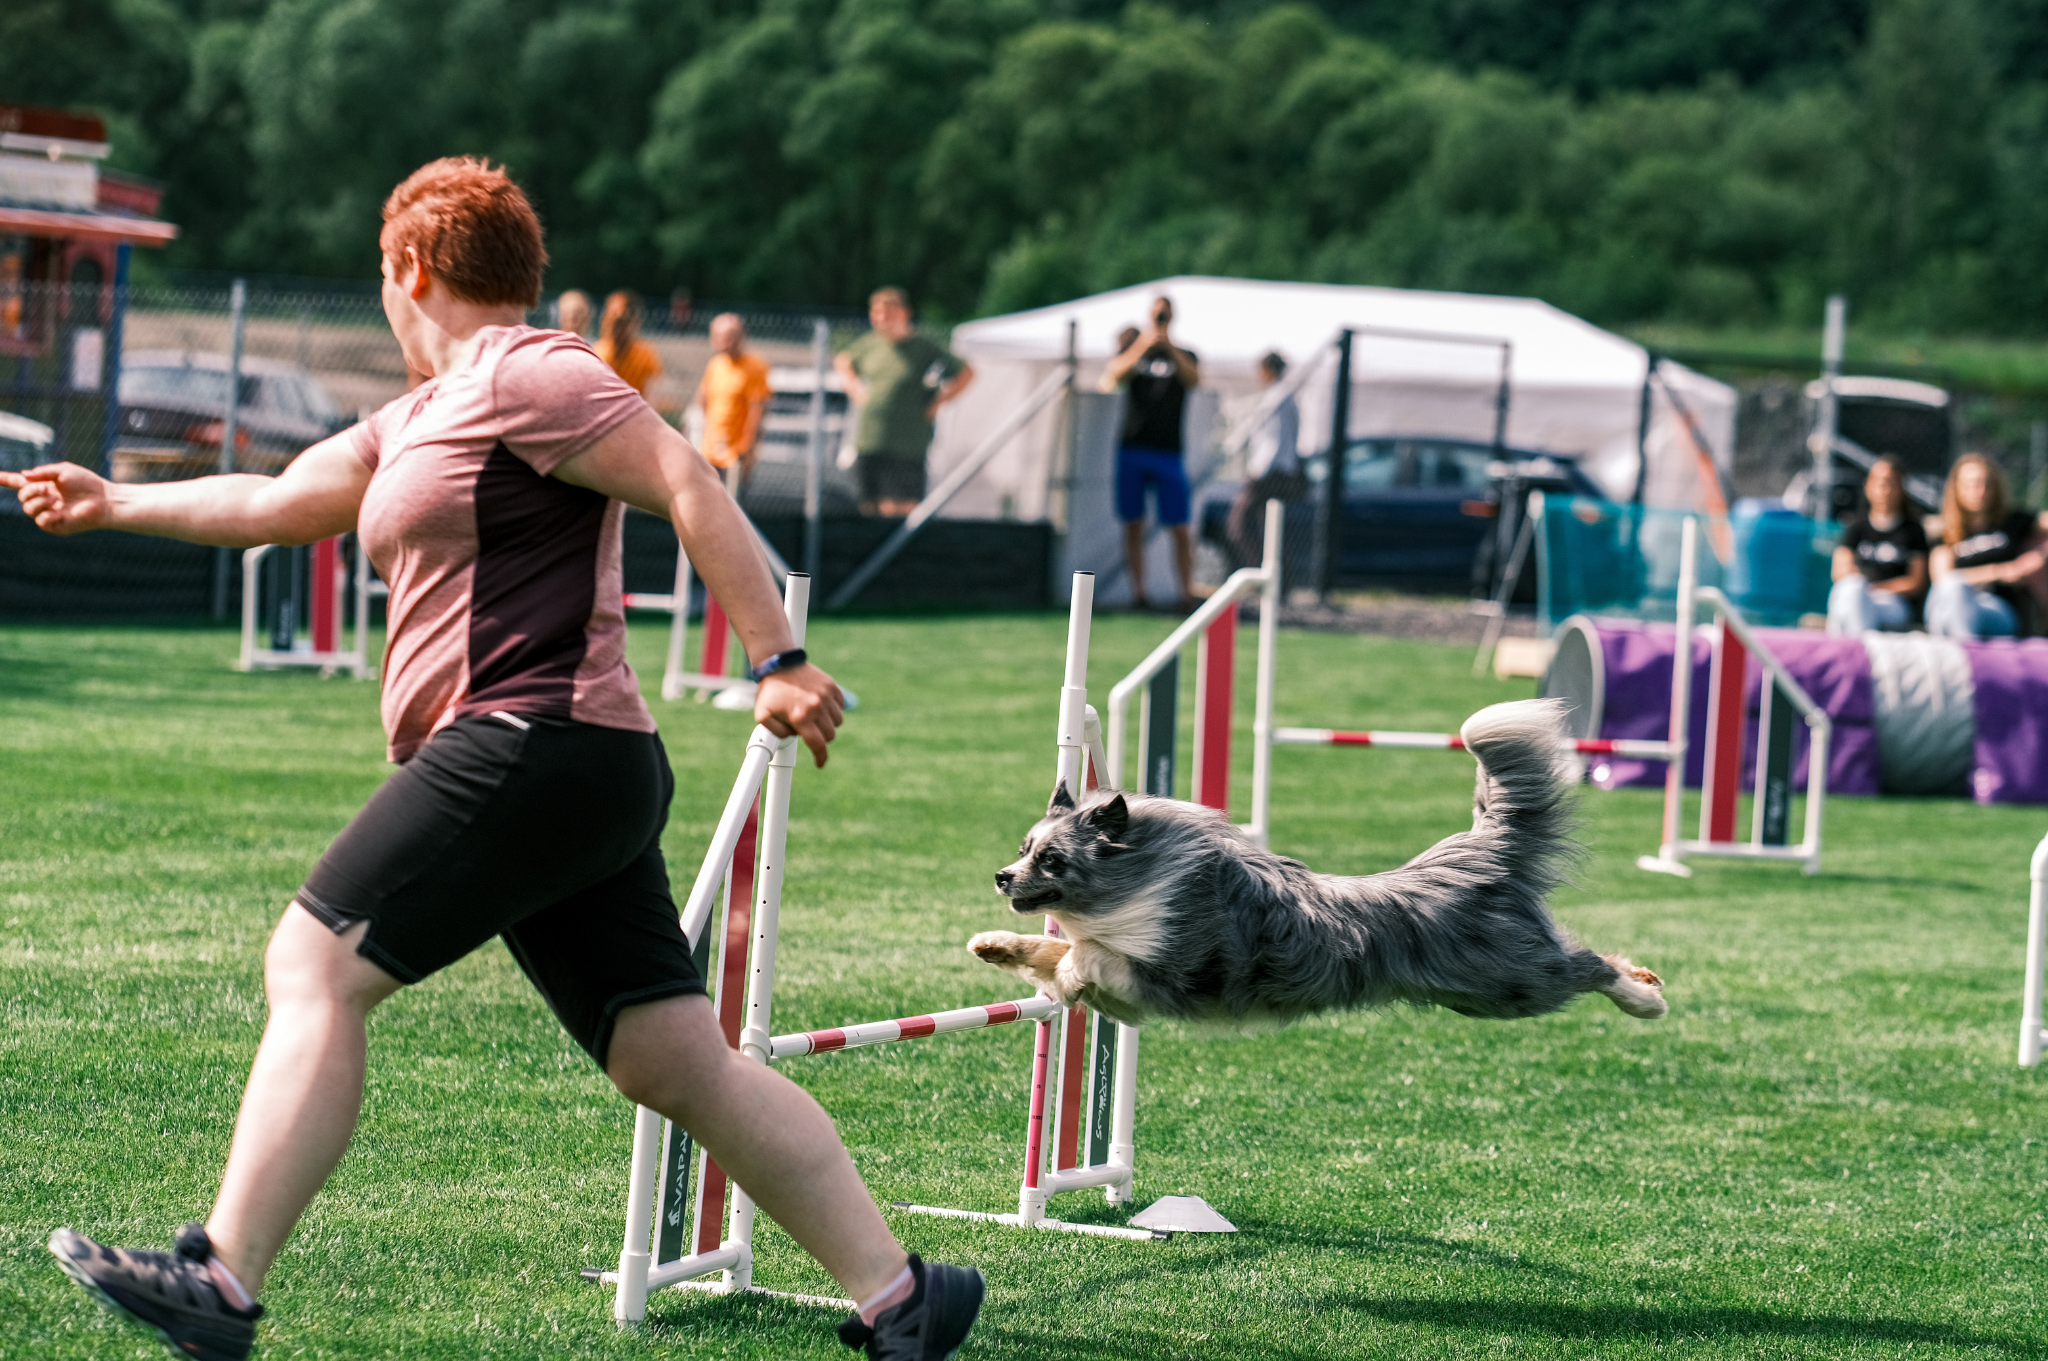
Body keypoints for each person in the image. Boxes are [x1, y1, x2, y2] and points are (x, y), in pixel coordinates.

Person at [12, 157, 982, 1361]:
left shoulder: (532, 370)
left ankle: (221, 1277)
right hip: (577, 766)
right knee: (668, 1057)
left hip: (534, 736)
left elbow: (685, 474)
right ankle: (903, 1298)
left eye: (382, 277)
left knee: (314, 961)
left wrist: (777, 655)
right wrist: (116, 504)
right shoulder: (415, 415)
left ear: (409, 267)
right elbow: (278, 497)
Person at [834, 287, 972, 516]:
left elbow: (966, 373)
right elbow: (843, 361)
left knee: (900, 508)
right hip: (871, 441)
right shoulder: (871, 343)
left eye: (887, 314)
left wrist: (938, 403)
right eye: (876, 314)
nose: (881, 320)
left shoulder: (923, 346)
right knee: (869, 506)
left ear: (904, 314)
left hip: (907, 445)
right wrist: (854, 388)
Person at [1101, 295, 1200, 608]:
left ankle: (1186, 593)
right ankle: (1139, 593)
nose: (1160, 320)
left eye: (1164, 316)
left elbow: (1194, 379)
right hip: (1133, 448)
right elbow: (1113, 376)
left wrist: (1168, 345)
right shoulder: (1134, 349)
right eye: (1156, 315)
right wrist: (1145, 344)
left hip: (1168, 452)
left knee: (1180, 527)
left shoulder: (1184, 354)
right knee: (1133, 524)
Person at [1927, 452, 2048, 639]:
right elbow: (1943, 578)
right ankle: (1964, 650)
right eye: (1971, 484)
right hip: (1948, 605)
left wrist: (2039, 555)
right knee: (1955, 588)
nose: (1979, 490)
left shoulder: (2012, 522)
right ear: (1956, 488)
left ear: (1995, 487)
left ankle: (1965, 654)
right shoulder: (1945, 534)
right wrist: (2000, 571)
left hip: (1996, 609)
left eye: (1985, 484)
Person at [1826, 457, 1928, 636]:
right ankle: (1851, 648)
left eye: (1890, 482)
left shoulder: (1913, 530)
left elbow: (1915, 582)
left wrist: (1874, 589)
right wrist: (1862, 587)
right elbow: (1839, 571)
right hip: (1856, 594)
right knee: (1849, 590)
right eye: (1878, 482)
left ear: (1901, 487)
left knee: (1854, 595)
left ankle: (1854, 652)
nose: (1884, 489)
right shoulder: (1856, 526)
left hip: (1894, 603)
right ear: (1867, 486)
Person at [1225, 351, 1305, 572]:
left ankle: (1264, 574)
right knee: (1269, 529)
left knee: (1238, 526)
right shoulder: (1281, 395)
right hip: (1276, 472)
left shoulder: (1279, 397)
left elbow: (1274, 441)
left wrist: (1257, 472)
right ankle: (1276, 578)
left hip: (1271, 474)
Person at [693, 312, 773, 485]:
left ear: (741, 337)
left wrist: (748, 450)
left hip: (736, 454)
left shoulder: (755, 367)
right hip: (710, 451)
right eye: (718, 336)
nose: (723, 341)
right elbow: (702, 402)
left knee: (731, 506)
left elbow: (757, 411)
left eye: (729, 337)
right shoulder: (715, 365)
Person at [595, 289, 662, 400]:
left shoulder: (646, 356)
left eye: (620, 321)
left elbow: (651, 398)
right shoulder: (598, 351)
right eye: (610, 318)